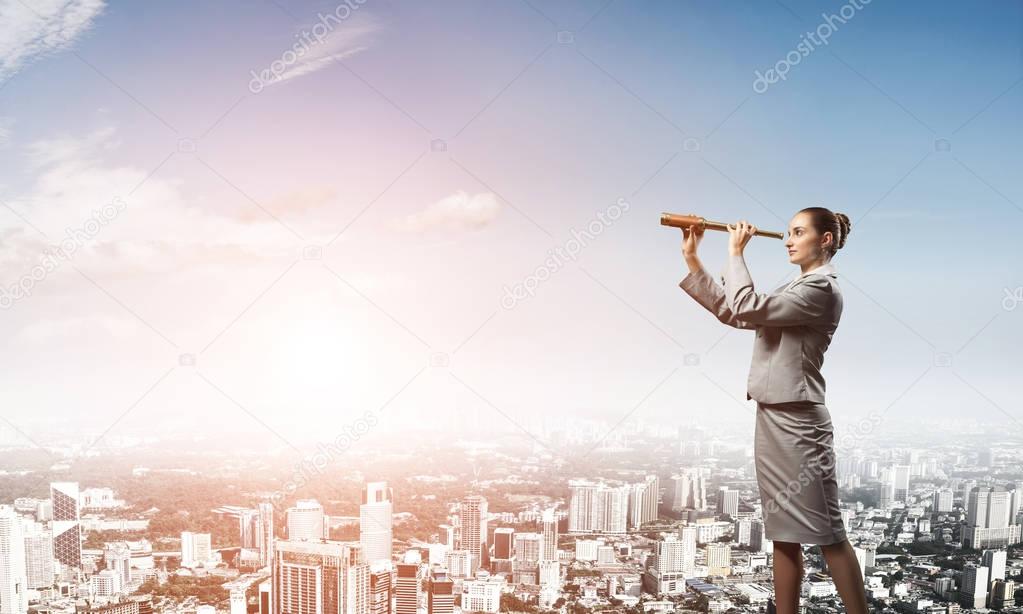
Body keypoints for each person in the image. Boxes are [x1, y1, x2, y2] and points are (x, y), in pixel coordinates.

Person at [678, 207, 867, 614]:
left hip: (800, 423)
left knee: (829, 533)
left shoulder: (821, 290)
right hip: (771, 417)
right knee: (783, 534)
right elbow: (733, 312)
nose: (787, 240)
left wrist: (735, 251)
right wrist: (694, 258)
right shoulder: (794, 290)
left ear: (826, 240)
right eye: (788, 232)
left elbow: (745, 304)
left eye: (798, 232)